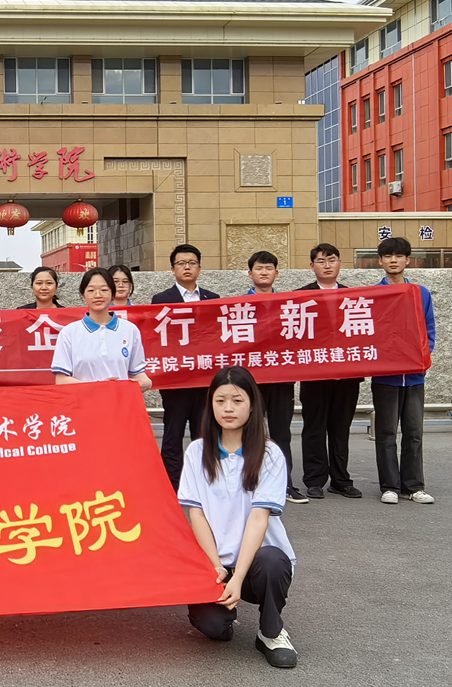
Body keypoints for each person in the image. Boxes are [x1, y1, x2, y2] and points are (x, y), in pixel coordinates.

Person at [178, 366, 297, 668]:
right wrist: (217, 567)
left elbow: (259, 518)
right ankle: (223, 617)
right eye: (220, 401)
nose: (228, 408)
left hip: (255, 562)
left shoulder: (270, 454)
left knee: (273, 561)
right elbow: (196, 514)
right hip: (215, 562)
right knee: (212, 626)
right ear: (211, 405)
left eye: (237, 400)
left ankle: (271, 632)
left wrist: (239, 578)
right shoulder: (196, 452)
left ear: (252, 405)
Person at [371, 237, 437, 505]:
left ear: (408, 260)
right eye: (388, 256)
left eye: (399, 256)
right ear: (380, 261)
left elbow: (429, 329)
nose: (393, 260)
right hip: (385, 377)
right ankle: (389, 486)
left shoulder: (421, 293)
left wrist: (421, 358)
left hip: (414, 376)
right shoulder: (373, 295)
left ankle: (414, 486)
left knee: (413, 432)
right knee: (386, 432)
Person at [296, 244, 362, 500]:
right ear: (311, 266)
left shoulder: (354, 297)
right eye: (321, 261)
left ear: (340, 264)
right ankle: (314, 480)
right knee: (314, 427)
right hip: (314, 373)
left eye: (331, 260)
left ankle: (341, 480)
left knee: (340, 428)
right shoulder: (299, 297)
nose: (327, 265)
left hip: (346, 374)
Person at [152, 244, 221, 489]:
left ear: (199, 268)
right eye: (181, 263)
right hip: (175, 380)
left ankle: (203, 482)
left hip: (204, 378)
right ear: (173, 269)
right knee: (173, 432)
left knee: (203, 434)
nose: (187, 267)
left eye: (192, 263)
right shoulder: (161, 300)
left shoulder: (213, 299)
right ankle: (172, 484)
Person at [245, 251, 303, 504]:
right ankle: (249, 483)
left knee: (281, 434)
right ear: (250, 274)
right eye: (259, 268)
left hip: (281, 379)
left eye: (269, 268)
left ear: (276, 273)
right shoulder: (238, 306)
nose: (264, 272)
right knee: (250, 432)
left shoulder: (289, 304)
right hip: (251, 381)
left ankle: (285, 484)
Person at [51, 267, 153, 390]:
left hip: (120, 400)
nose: (98, 295)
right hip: (83, 401)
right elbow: (61, 380)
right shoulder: (69, 332)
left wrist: (146, 382)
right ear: (83, 296)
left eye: (104, 290)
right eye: (91, 290)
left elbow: (138, 373)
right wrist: (100, 388)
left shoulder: (130, 330)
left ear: (112, 294)